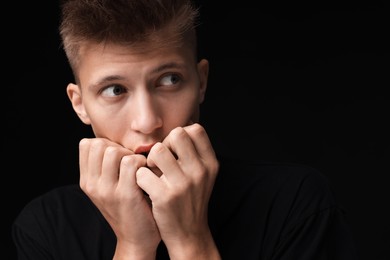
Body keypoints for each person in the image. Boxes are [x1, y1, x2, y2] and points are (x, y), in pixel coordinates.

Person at [12, 0, 359, 259]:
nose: (148, 122)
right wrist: (134, 245)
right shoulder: (45, 228)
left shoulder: (297, 204)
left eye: (169, 80)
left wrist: (190, 240)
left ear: (201, 81)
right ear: (80, 103)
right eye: (115, 90)